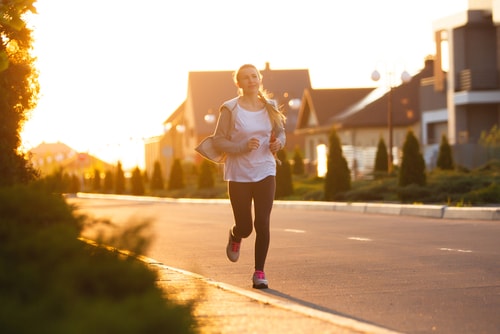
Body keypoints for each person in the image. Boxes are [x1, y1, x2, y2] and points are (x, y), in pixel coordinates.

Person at [212, 64, 286, 289]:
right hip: (239, 173)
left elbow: (281, 132)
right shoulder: (230, 108)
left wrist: (278, 143)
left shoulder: (270, 106)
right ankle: (236, 236)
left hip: (265, 169)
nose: (251, 80)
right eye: (245, 78)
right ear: (238, 84)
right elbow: (218, 140)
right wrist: (242, 146)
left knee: (262, 222)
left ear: (259, 78)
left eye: (254, 76)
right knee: (246, 227)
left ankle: (259, 272)